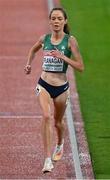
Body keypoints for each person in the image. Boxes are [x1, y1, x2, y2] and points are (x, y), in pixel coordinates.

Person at [24, 7, 84, 173]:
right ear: (50, 21)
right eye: (54, 19)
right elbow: (33, 49)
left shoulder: (70, 41)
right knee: (45, 115)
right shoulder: (45, 38)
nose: (56, 21)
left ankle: (60, 143)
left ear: (65, 21)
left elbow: (81, 67)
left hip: (61, 88)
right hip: (44, 83)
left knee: (58, 123)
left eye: (59, 19)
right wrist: (28, 63)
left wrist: (63, 57)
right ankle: (47, 159)